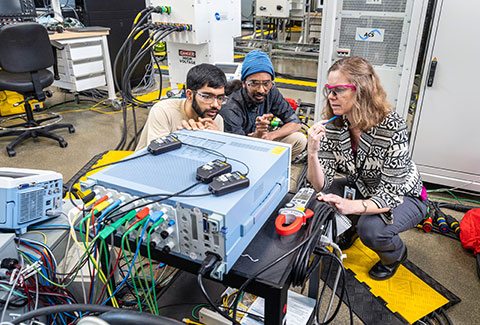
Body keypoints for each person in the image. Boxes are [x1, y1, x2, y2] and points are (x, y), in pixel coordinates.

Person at [307, 56, 427, 281]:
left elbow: (391, 195)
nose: (331, 97)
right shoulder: (335, 124)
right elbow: (320, 184)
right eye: (329, 90)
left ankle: (394, 255)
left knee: (371, 229)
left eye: (339, 90)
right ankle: (351, 225)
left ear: (361, 90)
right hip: (365, 186)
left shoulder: (392, 126)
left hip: (405, 196)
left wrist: (350, 205)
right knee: (320, 196)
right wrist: (312, 152)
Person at [219, 50, 307, 159]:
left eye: (266, 83)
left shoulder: (271, 92)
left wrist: (270, 136)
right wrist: (257, 137)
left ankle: (275, 166)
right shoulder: (231, 108)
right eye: (254, 83)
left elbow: (295, 123)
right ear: (244, 83)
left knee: (299, 139)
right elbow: (238, 149)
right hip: (240, 151)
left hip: (261, 141)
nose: (261, 90)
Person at [135, 63, 227, 150]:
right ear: (189, 95)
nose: (215, 105)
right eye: (207, 97)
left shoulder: (216, 119)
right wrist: (186, 137)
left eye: (220, 98)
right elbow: (158, 158)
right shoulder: (163, 111)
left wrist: (217, 139)